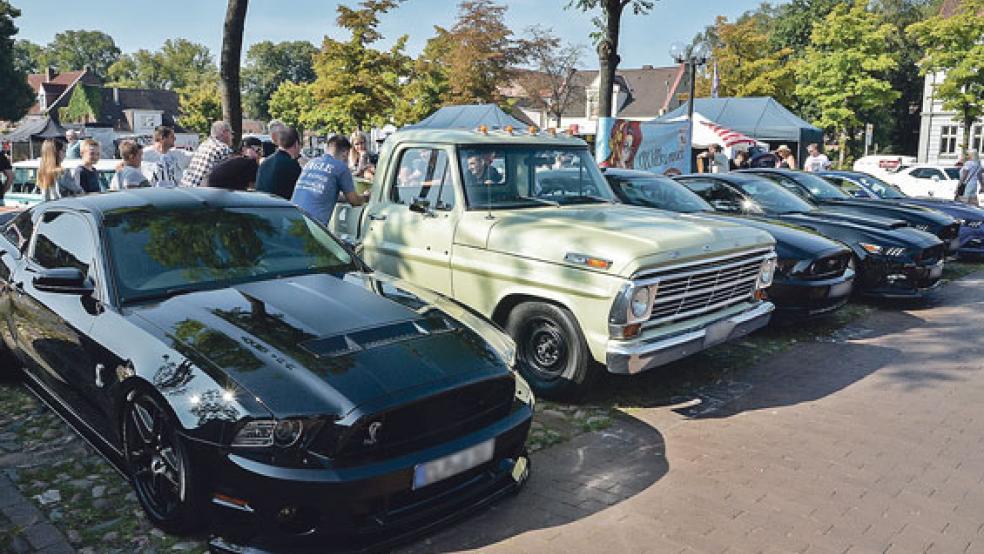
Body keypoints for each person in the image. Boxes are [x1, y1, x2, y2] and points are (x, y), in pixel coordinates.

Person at [291, 135, 366, 225]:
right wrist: (365, 196)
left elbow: (323, 192)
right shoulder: (340, 167)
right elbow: (354, 201)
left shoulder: (311, 162)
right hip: (313, 225)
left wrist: (345, 198)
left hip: (292, 217)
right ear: (345, 153)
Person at [181, 121, 233, 187]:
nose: (232, 137)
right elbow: (230, 177)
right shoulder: (223, 148)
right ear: (224, 133)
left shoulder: (203, 144)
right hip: (203, 193)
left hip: (186, 188)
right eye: (231, 133)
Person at [256, 127, 302, 199]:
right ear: (296, 144)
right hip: (281, 207)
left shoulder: (265, 163)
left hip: (261, 206)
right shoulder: (291, 165)